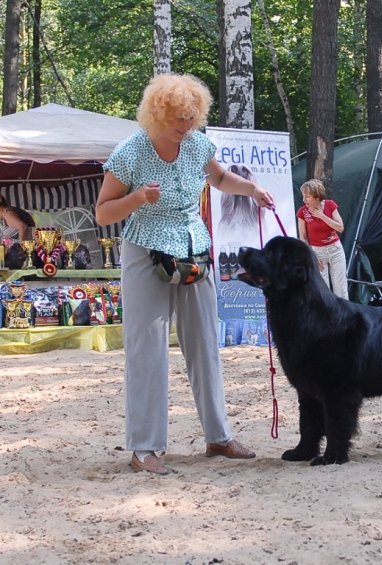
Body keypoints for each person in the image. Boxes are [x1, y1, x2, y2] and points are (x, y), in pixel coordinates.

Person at [95, 73, 274, 475]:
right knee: (147, 347)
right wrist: (138, 197)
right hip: (146, 251)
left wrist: (253, 190)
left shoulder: (196, 144)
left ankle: (219, 436)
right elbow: (103, 211)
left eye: (191, 117)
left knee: (205, 343)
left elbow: (221, 178)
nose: (185, 125)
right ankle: (145, 447)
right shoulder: (131, 152)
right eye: (178, 118)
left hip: (194, 252)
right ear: (158, 115)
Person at [297, 179, 349, 299]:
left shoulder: (330, 205)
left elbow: (340, 227)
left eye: (307, 196)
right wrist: (311, 256)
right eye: (303, 196)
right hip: (317, 252)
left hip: (335, 249)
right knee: (322, 291)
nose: (304, 200)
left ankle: (344, 317)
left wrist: (322, 216)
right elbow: (303, 237)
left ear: (317, 196)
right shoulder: (302, 212)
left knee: (341, 290)